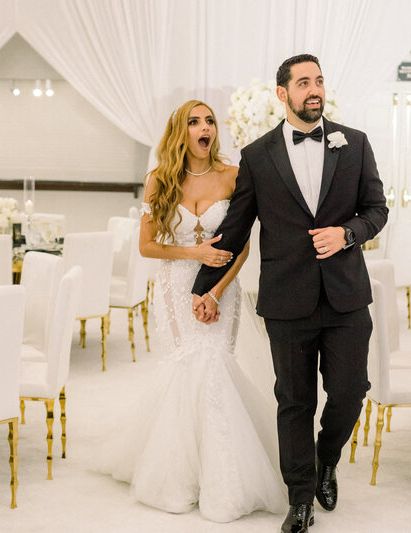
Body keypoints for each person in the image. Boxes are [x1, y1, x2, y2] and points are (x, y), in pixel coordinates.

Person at [192, 54, 388, 533]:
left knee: (349, 392)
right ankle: (299, 498)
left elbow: (377, 210)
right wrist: (205, 288)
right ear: (283, 94)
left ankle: (327, 459)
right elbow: (236, 229)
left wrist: (347, 234)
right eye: (304, 83)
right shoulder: (257, 157)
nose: (314, 89)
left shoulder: (355, 144)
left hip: (346, 297)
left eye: (319, 80)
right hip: (287, 300)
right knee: (294, 401)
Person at [97, 99, 286, 523]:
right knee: (187, 368)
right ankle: (178, 478)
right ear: (180, 132)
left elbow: (242, 244)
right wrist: (194, 252)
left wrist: (216, 291)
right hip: (174, 290)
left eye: (210, 121)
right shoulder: (159, 180)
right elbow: (147, 246)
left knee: (215, 365)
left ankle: (226, 482)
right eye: (194, 121)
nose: (205, 128)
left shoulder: (234, 177)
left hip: (222, 287)